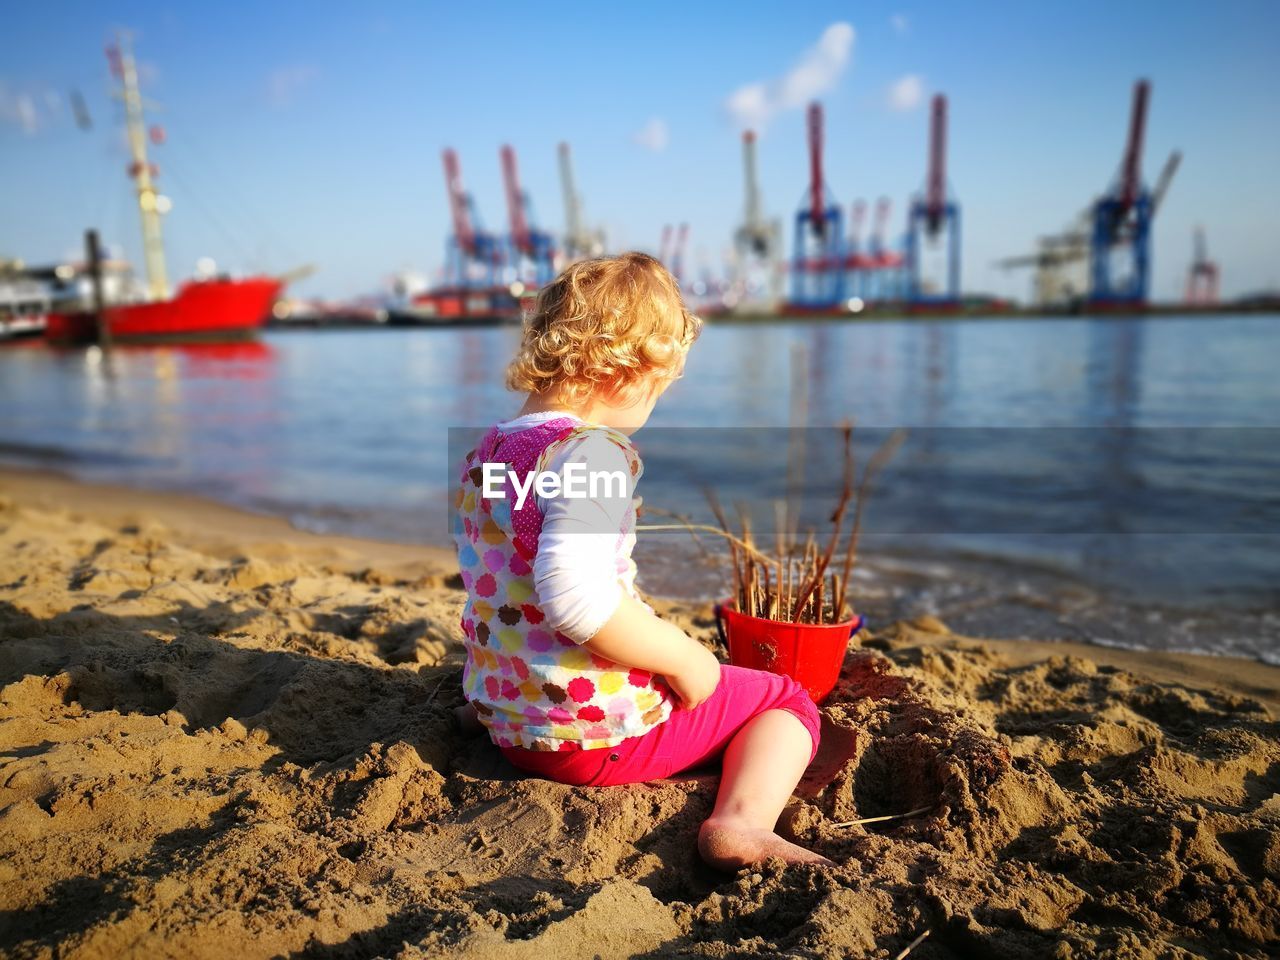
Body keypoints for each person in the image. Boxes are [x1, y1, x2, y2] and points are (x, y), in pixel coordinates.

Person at [451, 252, 833, 870]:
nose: (650, 407)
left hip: (510, 716)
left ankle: (496, 699)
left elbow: (502, 579)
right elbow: (577, 599)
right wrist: (686, 657)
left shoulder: (491, 449)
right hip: (586, 738)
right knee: (784, 701)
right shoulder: (591, 455)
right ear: (628, 373)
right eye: (657, 389)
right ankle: (742, 824)